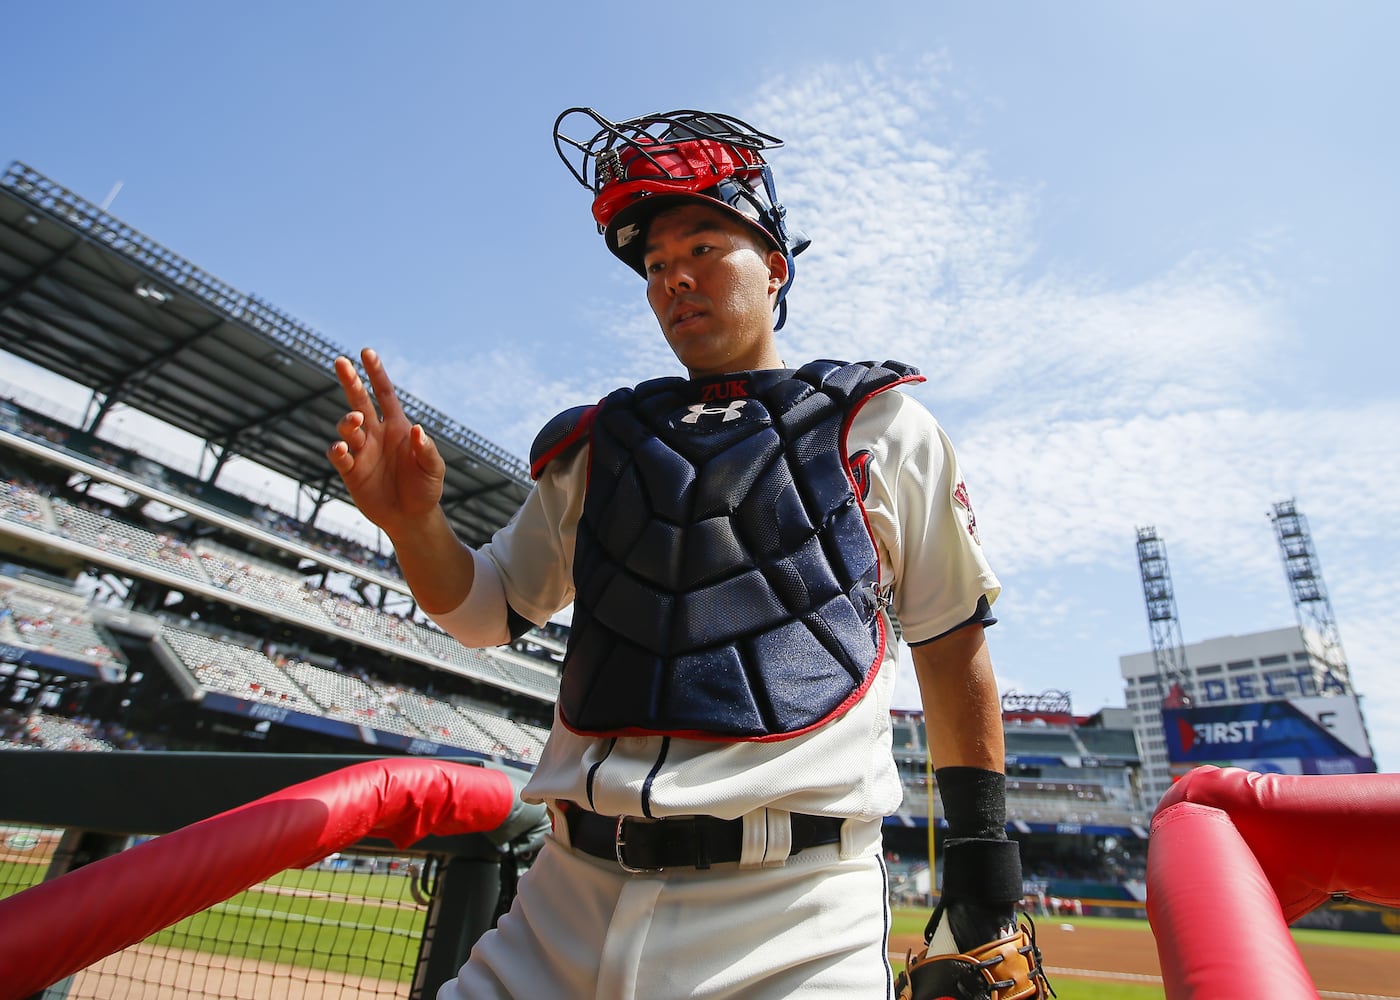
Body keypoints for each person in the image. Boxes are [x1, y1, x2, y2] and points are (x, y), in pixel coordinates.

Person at [327, 108, 1048, 1000]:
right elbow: (484, 611)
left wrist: (982, 866)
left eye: (704, 248)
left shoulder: (880, 425)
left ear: (775, 266)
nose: (675, 280)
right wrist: (413, 526)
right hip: (561, 904)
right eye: (657, 267)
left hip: (793, 920)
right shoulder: (603, 442)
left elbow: (950, 643)